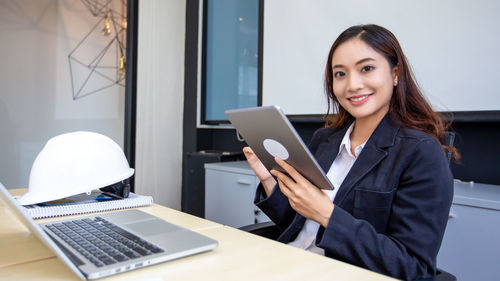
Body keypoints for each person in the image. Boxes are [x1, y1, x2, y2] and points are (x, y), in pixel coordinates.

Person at [243, 24, 458, 281]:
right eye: (340, 74)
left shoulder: (422, 152)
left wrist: (327, 214)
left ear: (396, 74)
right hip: (291, 262)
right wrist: (270, 181)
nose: (352, 85)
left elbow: (412, 266)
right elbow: (300, 226)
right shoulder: (325, 139)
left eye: (366, 68)